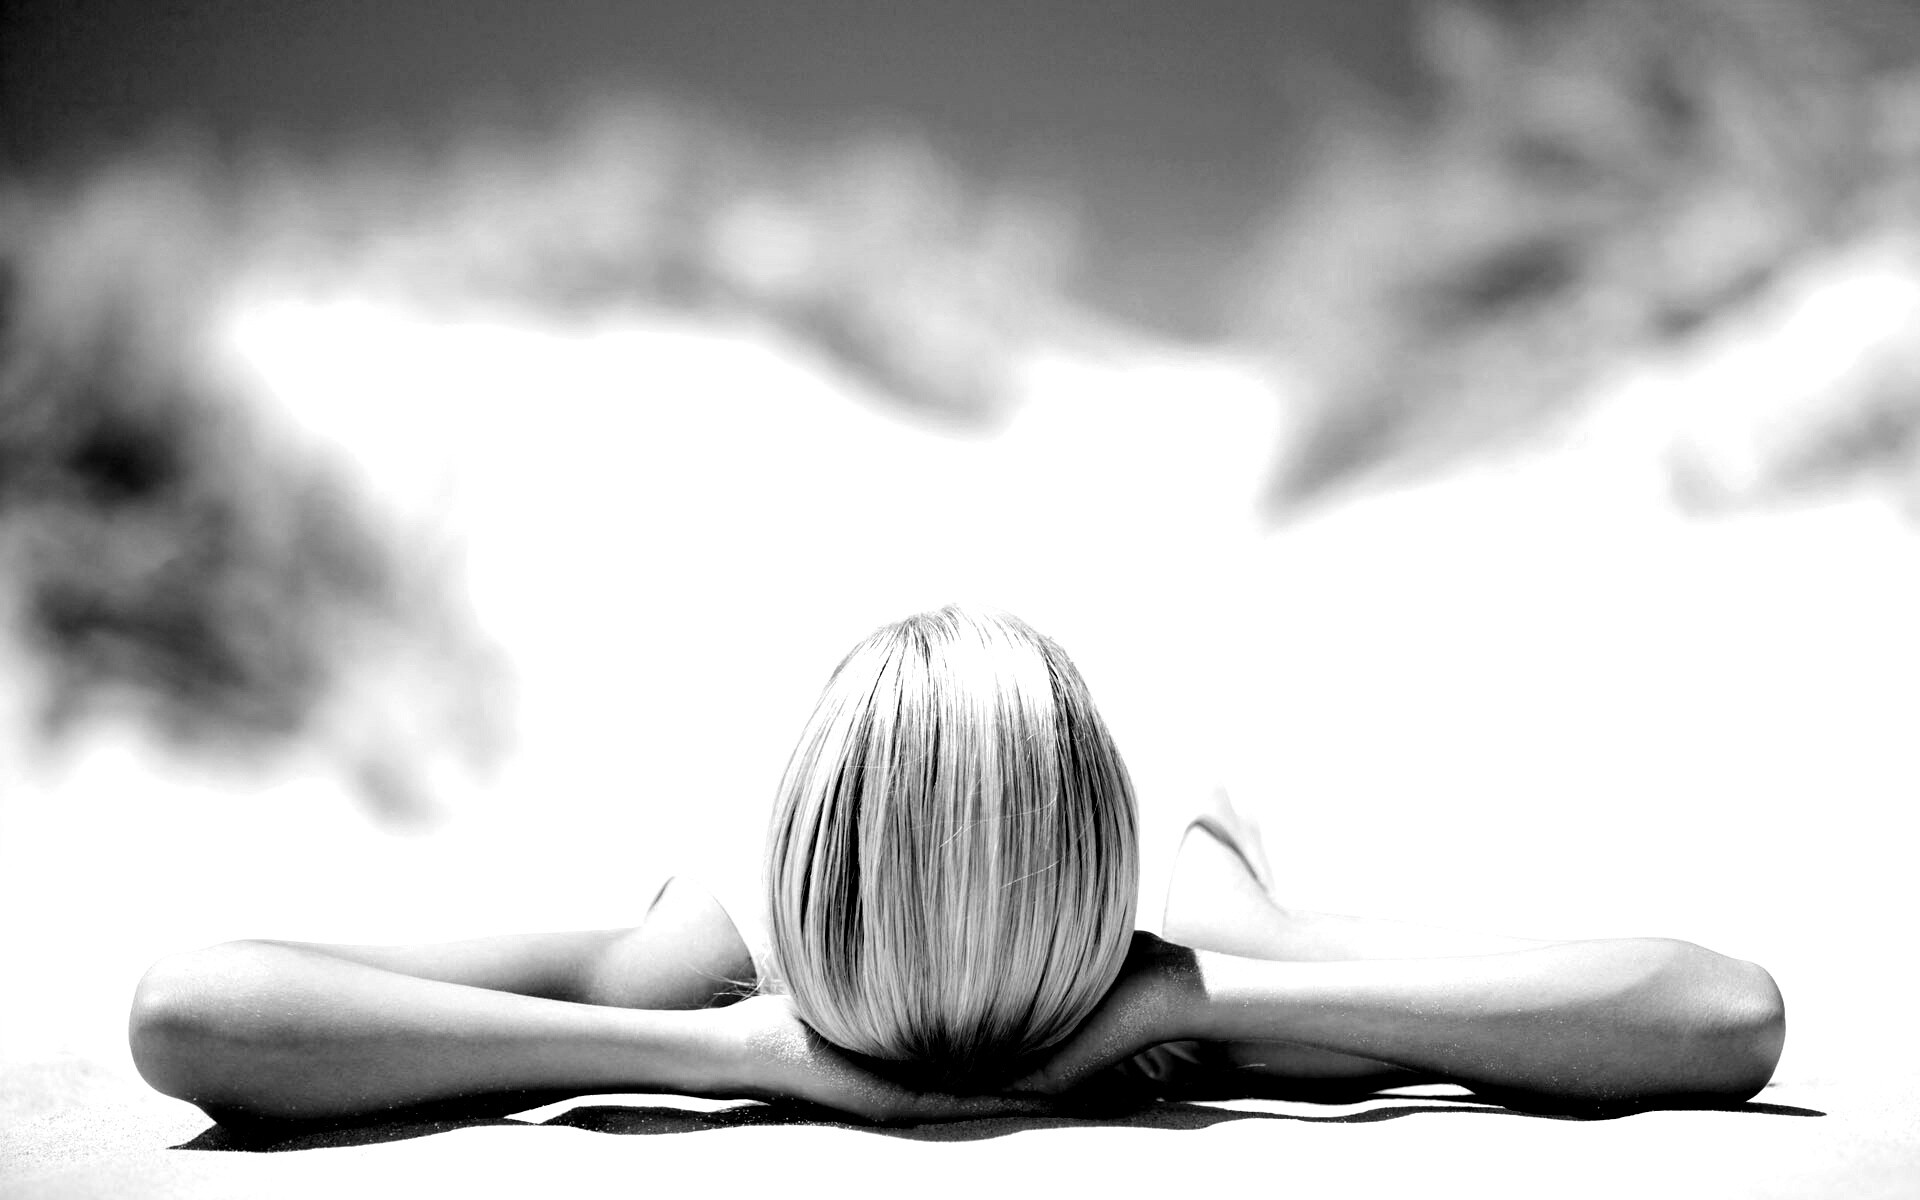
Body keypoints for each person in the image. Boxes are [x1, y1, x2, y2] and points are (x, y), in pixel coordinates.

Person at [128, 605, 1785, 1125]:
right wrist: (725, 1044)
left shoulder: (1181, 925)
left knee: (1232, 886)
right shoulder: (742, 940)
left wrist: (1189, 991)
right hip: (926, 834)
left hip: (1066, 834)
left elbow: (1723, 1014)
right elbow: (191, 1012)